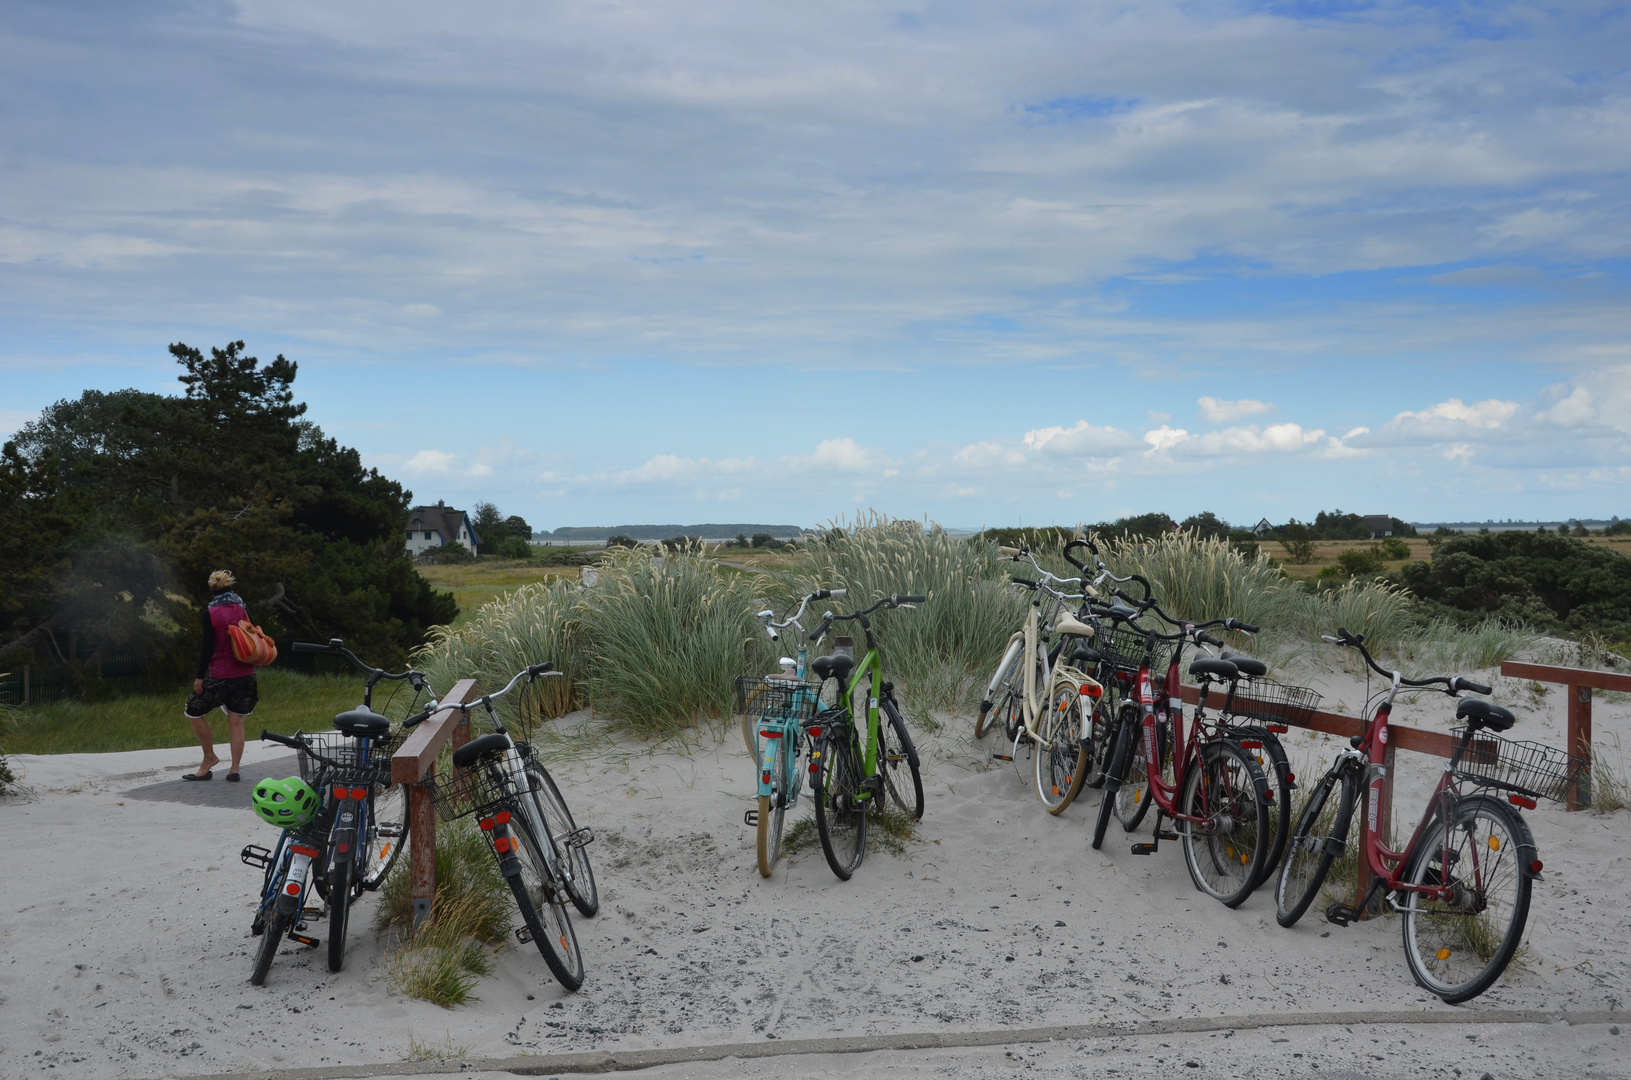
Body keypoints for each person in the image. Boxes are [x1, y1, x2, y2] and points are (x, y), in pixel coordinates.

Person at [183, 570, 259, 781]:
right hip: (246, 674)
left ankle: (209, 758)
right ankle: (234, 770)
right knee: (236, 722)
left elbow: (207, 648)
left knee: (192, 711)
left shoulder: (210, 614)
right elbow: (253, 635)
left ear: (212, 591)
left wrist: (199, 677)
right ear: (231, 588)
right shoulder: (243, 608)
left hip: (221, 675)